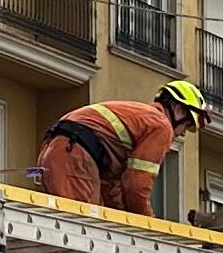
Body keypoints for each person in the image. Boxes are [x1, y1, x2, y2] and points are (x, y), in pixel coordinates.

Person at [37, 82, 204, 212]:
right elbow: (136, 184)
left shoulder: (137, 119)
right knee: (83, 228)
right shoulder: (161, 126)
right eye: (187, 125)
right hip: (74, 156)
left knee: (90, 219)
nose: (182, 134)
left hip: (59, 153)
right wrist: (147, 223)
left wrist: (122, 214)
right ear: (178, 109)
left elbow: (112, 186)